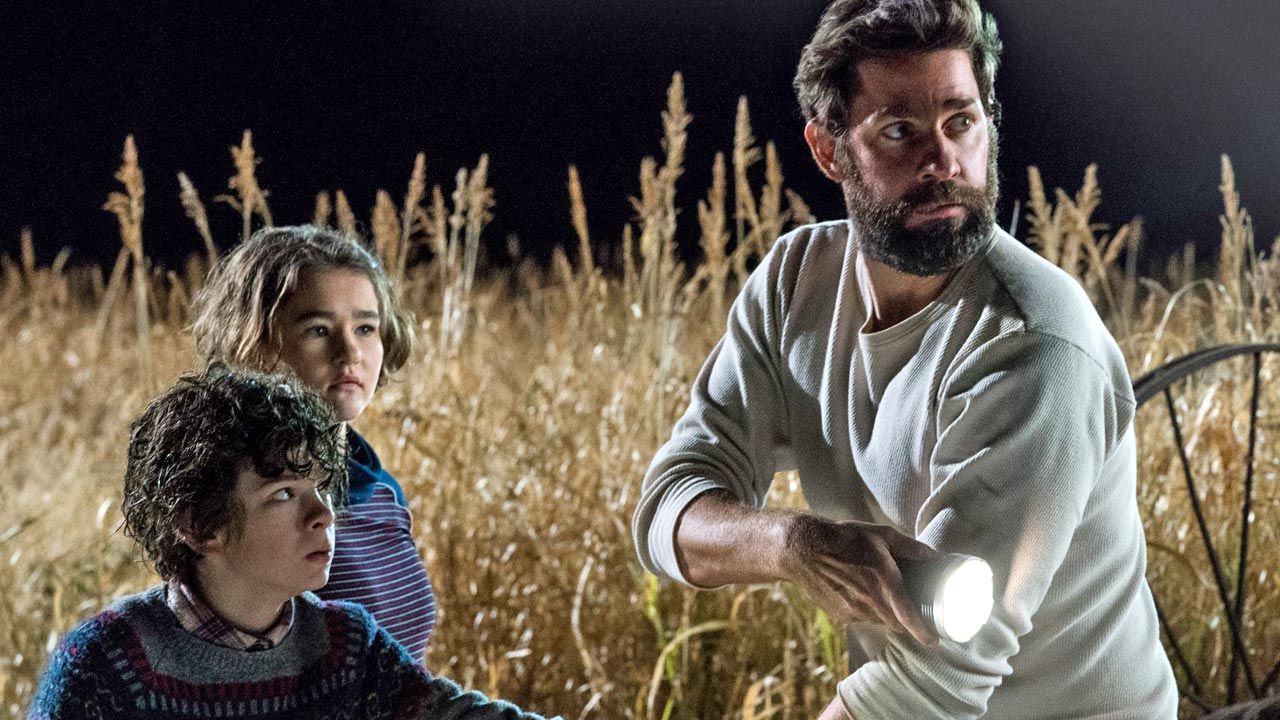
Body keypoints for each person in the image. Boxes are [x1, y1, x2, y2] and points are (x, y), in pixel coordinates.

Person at [631, 1, 1178, 718]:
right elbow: (667, 512)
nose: (943, 161)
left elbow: (931, 686)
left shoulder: (1033, 346)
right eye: (900, 131)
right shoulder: (796, 285)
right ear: (829, 150)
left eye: (962, 122)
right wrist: (792, 542)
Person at [28, 364, 555, 720]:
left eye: (320, 487)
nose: (323, 514)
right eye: (282, 494)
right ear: (199, 525)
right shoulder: (108, 666)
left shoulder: (344, 645)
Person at [190, 225, 436, 662]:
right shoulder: (235, 495)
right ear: (253, 343)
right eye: (319, 330)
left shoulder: (378, 486)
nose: (350, 353)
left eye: (366, 328)